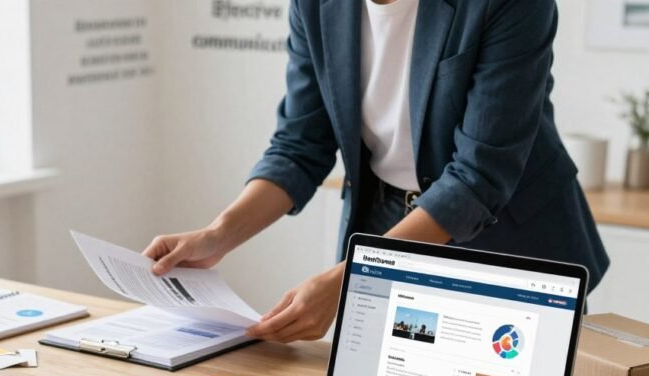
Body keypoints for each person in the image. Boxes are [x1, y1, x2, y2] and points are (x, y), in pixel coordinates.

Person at [143, 0, 608, 343]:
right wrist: (218, 234)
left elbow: (478, 176)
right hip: (385, 221)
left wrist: (355, 274)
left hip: (505, 238)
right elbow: (300, 146)